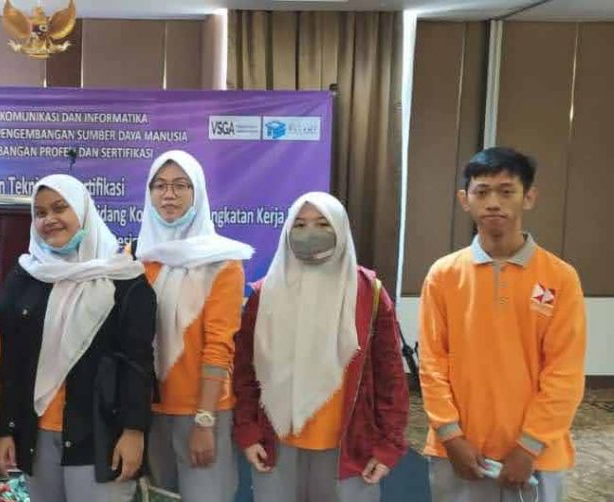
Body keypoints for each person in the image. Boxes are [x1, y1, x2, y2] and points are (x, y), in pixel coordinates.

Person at [419, 147, 586, 502]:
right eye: (482, 192)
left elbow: (565, 372)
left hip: (538, 456)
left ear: (529, 197)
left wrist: (529, 446)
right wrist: (450, 436)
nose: (493, 203)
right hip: (457, 453)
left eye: (506, 191)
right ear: (464, 200)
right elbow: (432, 364)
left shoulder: (560, 277)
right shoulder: (443, 275)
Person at [232, 191, 409, 502]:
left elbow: (391, 378)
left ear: (340, 228)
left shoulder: (369, 293)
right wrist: (248, 431)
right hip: (277, 445)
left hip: (349, 450)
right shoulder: (265, 294)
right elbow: (245, 370)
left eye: (322, 224)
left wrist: (388, 446)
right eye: (299, 225)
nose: (309, 232)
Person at [0, 174, 157, 502]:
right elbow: (10, 364)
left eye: (59, 208)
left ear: (82, 212)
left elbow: (138, 364)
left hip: (101, 437)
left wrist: (134, 431)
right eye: (40, 213)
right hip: (37, 436)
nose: (49, 219)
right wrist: (5, 430)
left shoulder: (125, 280)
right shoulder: (25, 278)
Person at [131, 150, 252, 502]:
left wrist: (204, 420)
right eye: (160, 186)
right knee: (158, 497)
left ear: (197, 192)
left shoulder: (222, 263)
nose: (169, 195)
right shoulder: (134, 258)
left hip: (202, 410)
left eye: (181, 185)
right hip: (149, 412)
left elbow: (219, 345)